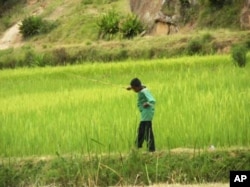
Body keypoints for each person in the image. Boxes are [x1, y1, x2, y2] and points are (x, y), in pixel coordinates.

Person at [127, 78, 156, 152]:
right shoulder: (141, 88)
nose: (134, 91)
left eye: (134, 89)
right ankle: (141, 146)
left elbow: (152, 100)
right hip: (145, 112)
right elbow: (142, 85)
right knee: (143, 129)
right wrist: (131, 87)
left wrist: (147, 103)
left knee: (145, 130)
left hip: (147, 112)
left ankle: (147, 148)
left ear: (137, 87)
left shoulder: (144, 91)